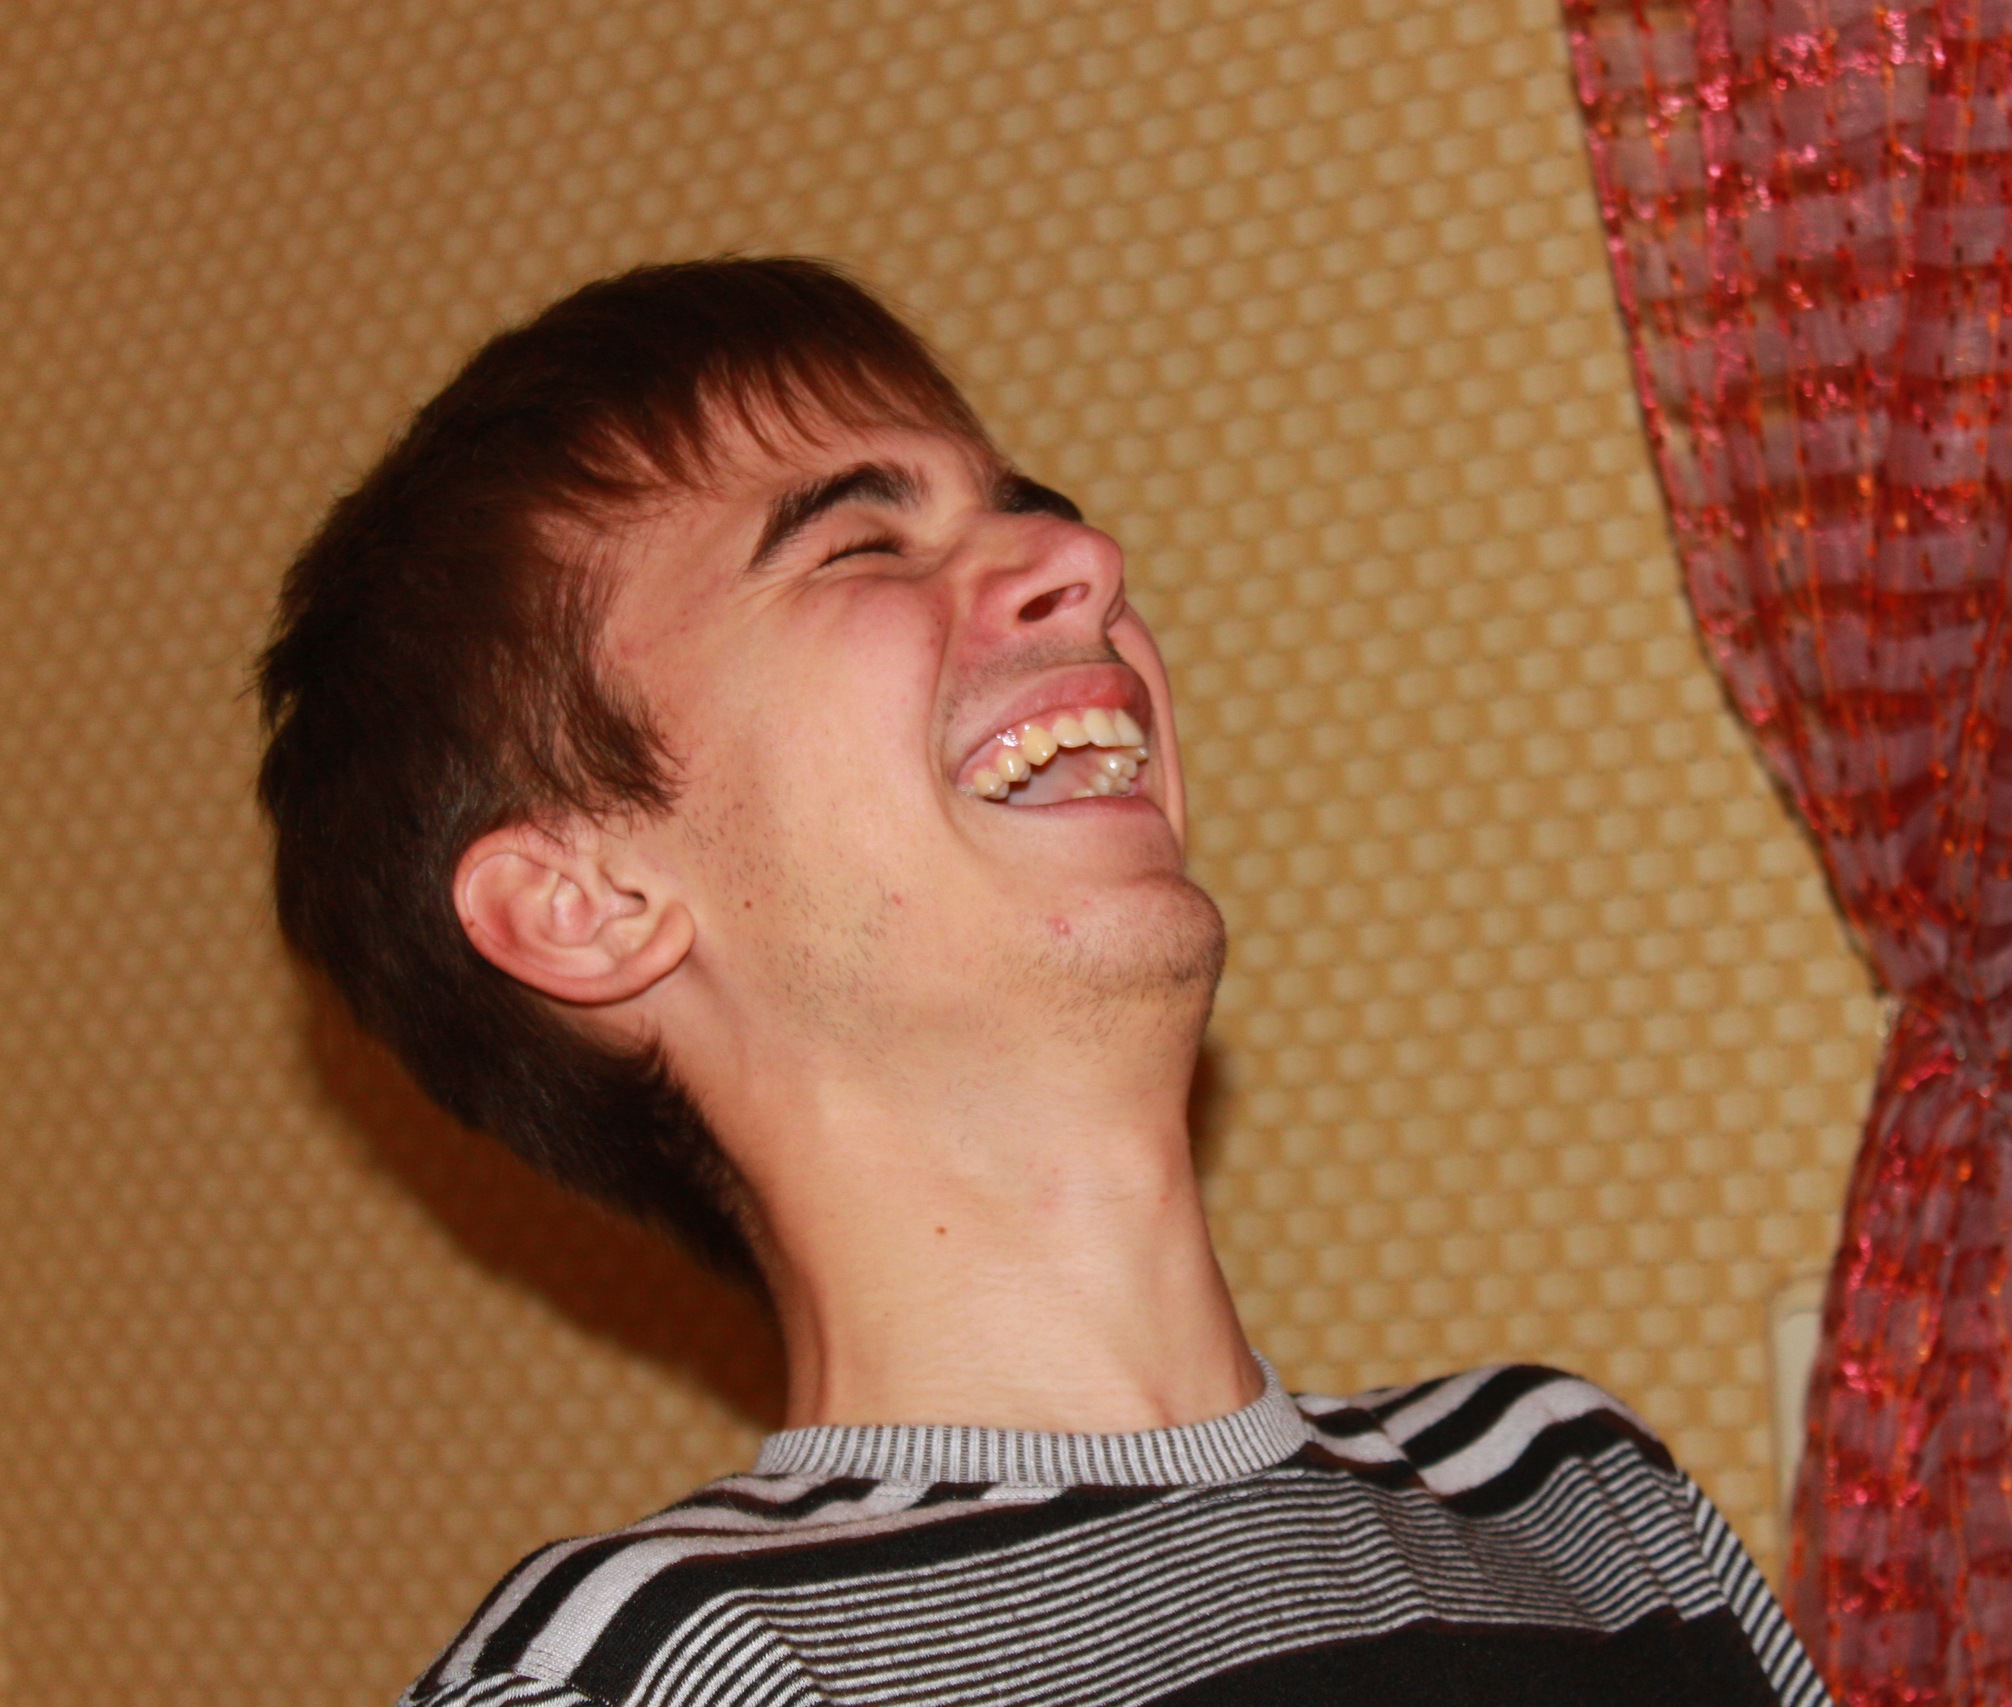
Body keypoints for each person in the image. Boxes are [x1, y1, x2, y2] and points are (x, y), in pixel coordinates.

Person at [257, 257, 1829, 1707]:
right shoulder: (660, 1676)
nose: (1085, 558)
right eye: (859, 544)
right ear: (588, 905)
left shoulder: (1577, 1496)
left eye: (1038, 510)